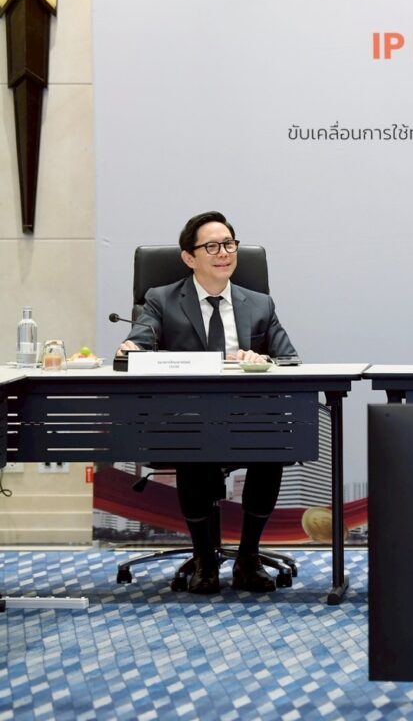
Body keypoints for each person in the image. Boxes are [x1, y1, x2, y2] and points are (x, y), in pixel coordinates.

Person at [118, 211, 297, 594]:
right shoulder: (162, 300)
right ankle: (204, 559)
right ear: (189, 257)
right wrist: (132, 347)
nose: (224, 253)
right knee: (194, 436)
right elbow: (141, 342)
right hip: (188, 416)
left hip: (247, 415)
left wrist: (261, 359)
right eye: (212, 247)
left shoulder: (260, 304)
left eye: (229, 244)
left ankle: (248, 556)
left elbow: (289, 359)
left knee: (274, 438)